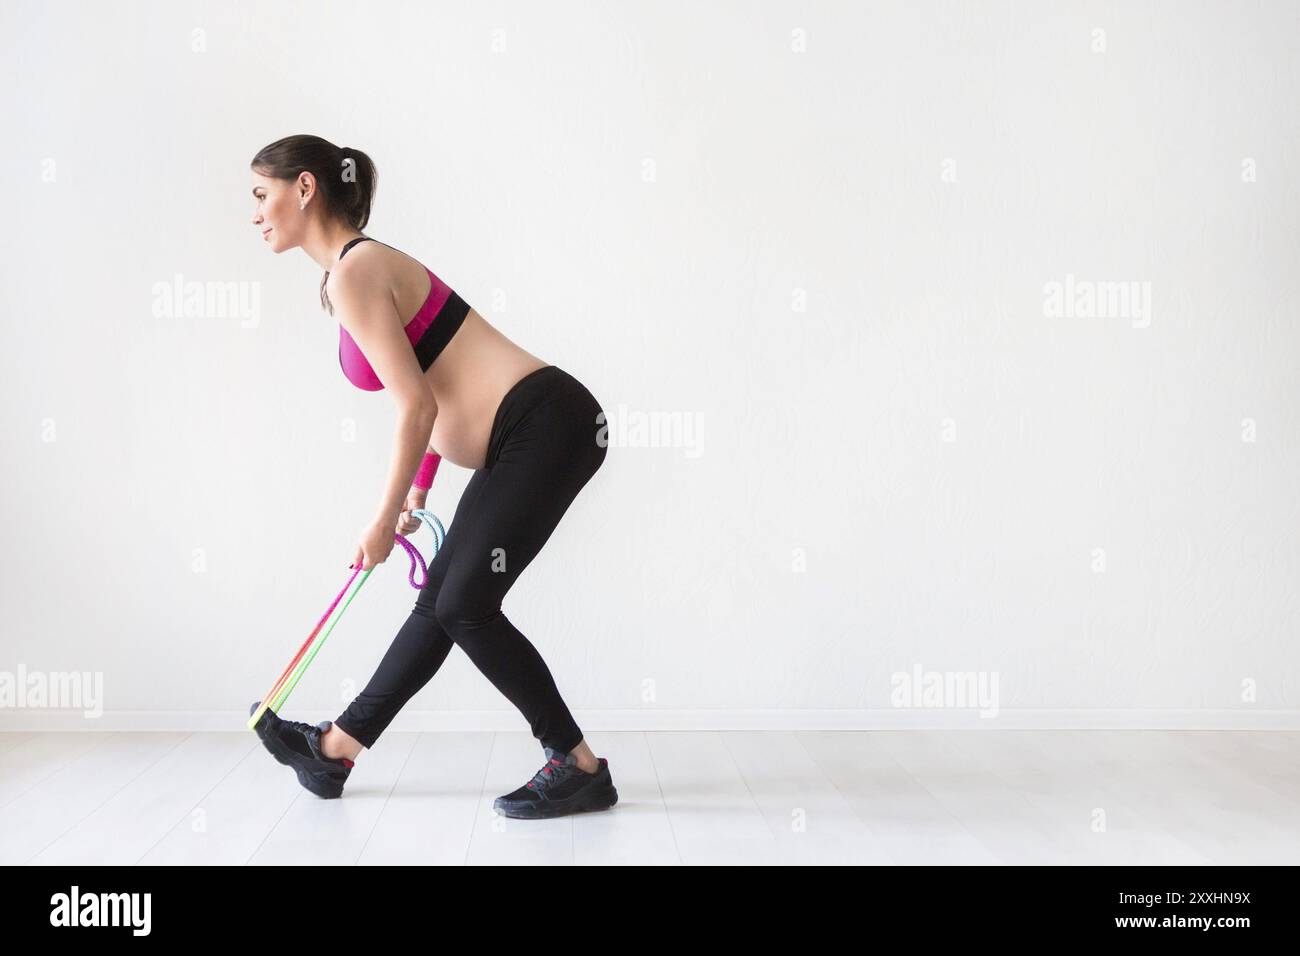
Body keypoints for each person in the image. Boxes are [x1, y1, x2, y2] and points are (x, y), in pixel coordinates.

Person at [245, 134, 616, 820]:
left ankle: (578, 763)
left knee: (464, 606)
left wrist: (382, 520)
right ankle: (335, 750)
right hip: (524, 435)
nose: (256, 214)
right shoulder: (352, 272)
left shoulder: (355, 271)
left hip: (545, 426)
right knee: (442, 602)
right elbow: (429, 387)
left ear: (305, 188)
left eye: (262, 195)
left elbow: (415, 406)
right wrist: (418, 492)